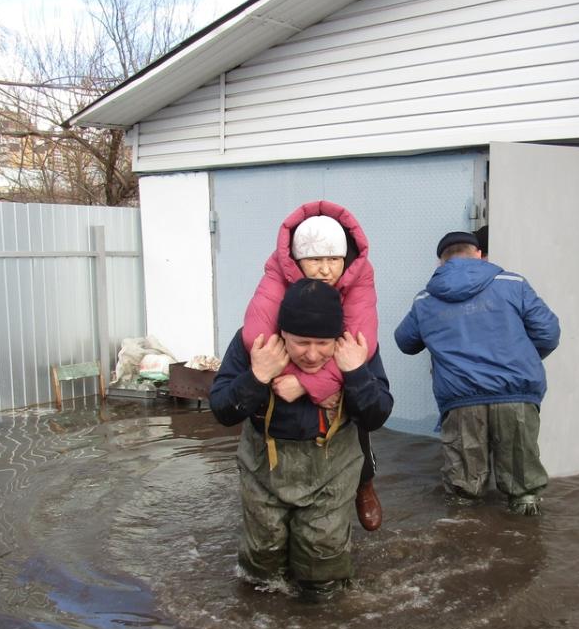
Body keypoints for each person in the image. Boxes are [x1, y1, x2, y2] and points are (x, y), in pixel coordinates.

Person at [211, 278, 394, 601]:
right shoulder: (253, 344)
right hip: (264, 465)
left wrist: (354, 374)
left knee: (322, 566)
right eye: (301, 343)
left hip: (332, 465)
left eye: (323, 344)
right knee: (262, 565)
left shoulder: (355, 348)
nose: (312, 354)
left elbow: (376, 416)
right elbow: (223, 410)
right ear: (282, 334)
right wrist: (257, 376)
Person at [394, 231, 560, 515]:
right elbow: (549, 333)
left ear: (440, 263)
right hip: (515, 397)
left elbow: (405, 342)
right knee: (524, 491)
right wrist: (522, 361)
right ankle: (528, 547)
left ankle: (466, 543)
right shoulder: (513, 284)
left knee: (463, 494)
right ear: (479, 254)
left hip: (461, 403)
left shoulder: (425, 299)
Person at [242, 200, 384, 532]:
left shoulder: (358, 275)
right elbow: (258, 336)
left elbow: (360, 342)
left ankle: (364, 484)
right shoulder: (277, 273)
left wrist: (312, 384)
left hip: (336, 355)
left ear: (344, 258)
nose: (325, 270)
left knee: (358, 411)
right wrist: (291, 376)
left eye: (333, 259)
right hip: (286, 364)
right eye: (314, 260)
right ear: (296, 259)